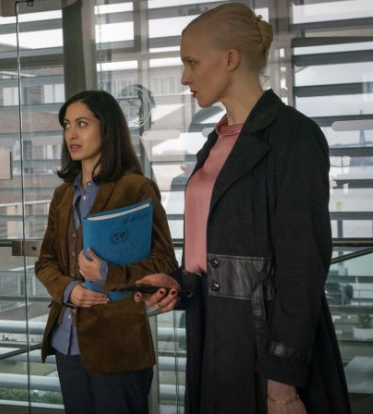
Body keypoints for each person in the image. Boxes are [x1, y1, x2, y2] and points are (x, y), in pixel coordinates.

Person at [133, 3, 351, 414]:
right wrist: (179, 282)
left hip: (263, 344)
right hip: (212, 334)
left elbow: (302, 266)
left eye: (192, 62)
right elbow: (218, 252)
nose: (184, 77)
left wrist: (282, 383)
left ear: (230, 59)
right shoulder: (215, 141)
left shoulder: (294, 136)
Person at [35, 90, 177, 413]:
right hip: (66, 340)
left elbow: (165, 261)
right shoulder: (62, 196)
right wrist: (69, 290)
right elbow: (45, 262)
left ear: (107, 128)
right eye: (67, 125)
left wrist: (108, 274)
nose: (71, 134)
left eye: (82, 124)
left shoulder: (135, 188)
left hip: (118, 345)